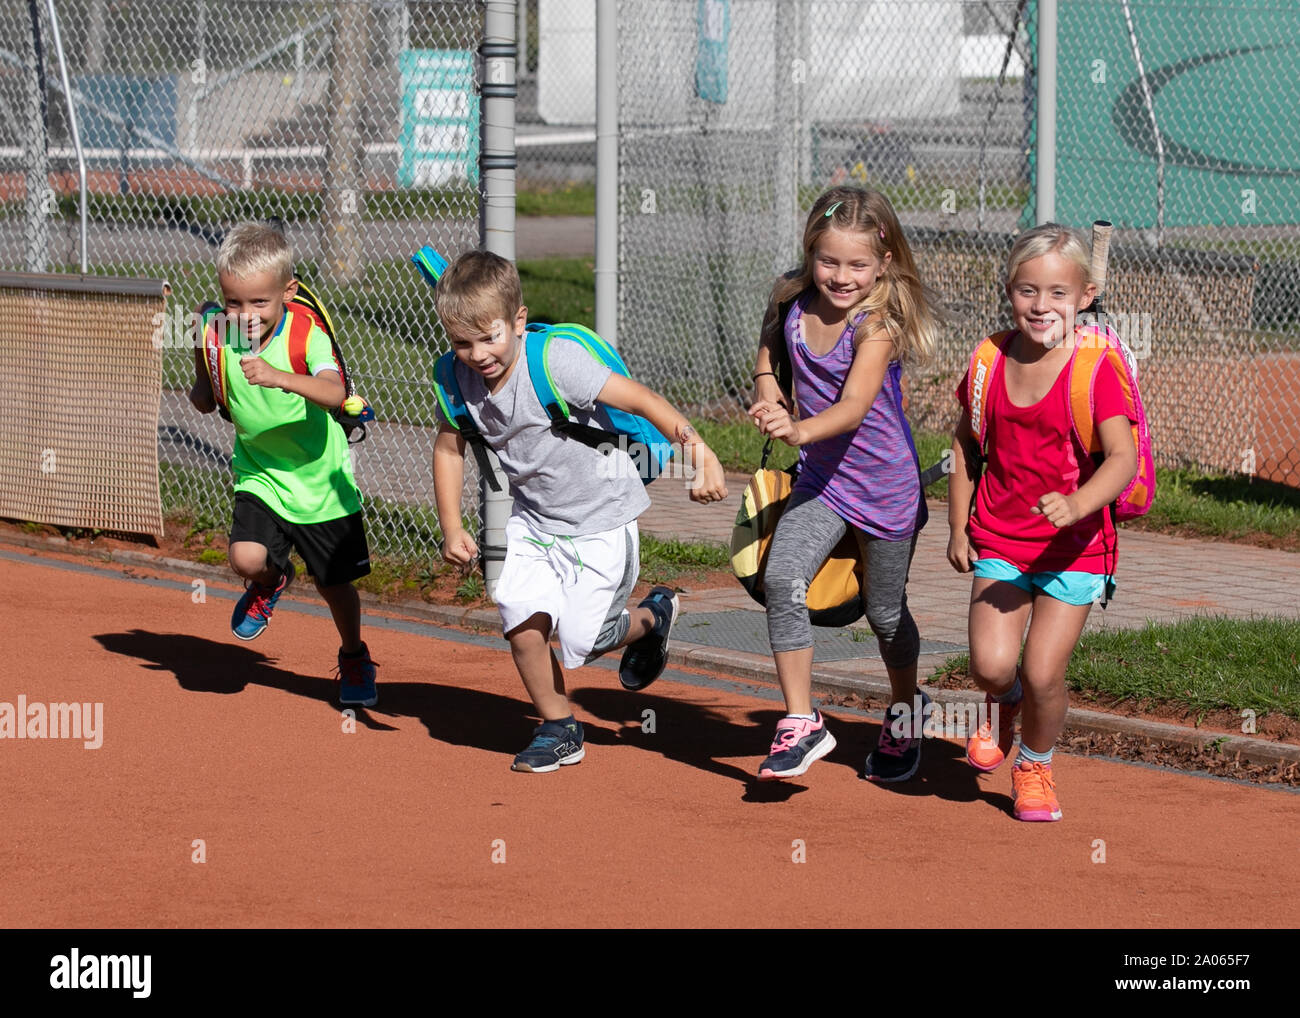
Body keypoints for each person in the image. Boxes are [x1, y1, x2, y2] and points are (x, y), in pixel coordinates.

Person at [430, 251, 729, 773]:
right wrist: (451, 525)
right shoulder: (456, 381)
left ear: (518, 322)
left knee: (582, 642)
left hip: (603, 522)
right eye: (462, 342)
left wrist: (699, 452)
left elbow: (639, 400)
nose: (477, 354)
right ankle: (559, 725)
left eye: (490, 337)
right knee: (522, 622)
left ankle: (654, 616)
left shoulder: (555, 362)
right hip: (535, 523)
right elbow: (448, 449)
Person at [749, 187, 940, 782]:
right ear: (811, 254)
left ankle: (906, 708)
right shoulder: (791, 298)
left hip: (886, 490)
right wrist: (765, 384)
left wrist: (799, 429)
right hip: (824, 483)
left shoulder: (876, 323)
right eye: (829, 261)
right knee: (783, 577)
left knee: (884, 615)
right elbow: (769, 341)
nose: (841, 275)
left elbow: (855, 406)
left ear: (884, 263)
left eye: (858, 264)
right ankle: (801, 722)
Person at [947, 222, 1137, 822]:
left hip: (1076, 548)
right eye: (1028, 290)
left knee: (1043, 670)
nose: (1041, 305)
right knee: (991, 666)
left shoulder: (1095, 370)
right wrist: (957, 526)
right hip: (1001, 538)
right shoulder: (987, 361)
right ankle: (1002, 704)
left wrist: (1080, 503)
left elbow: (1123, 458)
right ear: (1010, 291)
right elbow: (964, 446)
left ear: (1084, 296)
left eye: (1058, 292)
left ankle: (1035, 763)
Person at [188, 222, 378, 707]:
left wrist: (279, 376)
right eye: (233, 302)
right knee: (246, 559)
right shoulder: (218, 335)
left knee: (335, 585)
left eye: (259, 303)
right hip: (260, 473)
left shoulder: (305, 334)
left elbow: (336, 392)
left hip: (319, 480)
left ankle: (354, 654)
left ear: (287, 292)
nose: (245, 315)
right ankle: (271, 581)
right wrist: (203, 358)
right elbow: (206, 400)